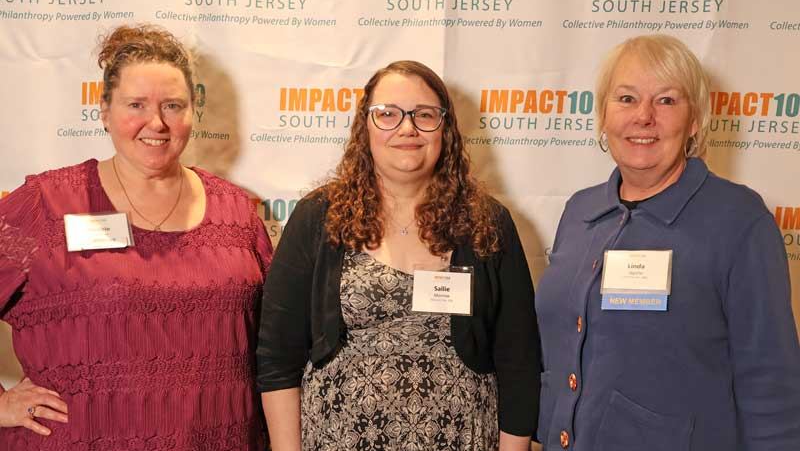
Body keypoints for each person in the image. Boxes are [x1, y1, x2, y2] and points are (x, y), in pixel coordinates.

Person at [0, 24, 273, 450]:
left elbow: (279, 343)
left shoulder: (237, 213)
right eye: (136, 105)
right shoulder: (44, 207)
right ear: (104, 111)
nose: (156, 122)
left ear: (194, 112)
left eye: (173, 105)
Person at [256, 60, 540, 450]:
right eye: (388, 114)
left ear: (445, 129)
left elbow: (519, 362)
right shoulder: (319, 217)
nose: (407, 128)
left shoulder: (487, 223)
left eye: (424, 115)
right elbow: (277, 358)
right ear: (365, 126)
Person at [536, 34, 800, 450]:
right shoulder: (579, 211)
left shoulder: (739, 221)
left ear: (694, 121)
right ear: (603, 114)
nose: (643, 116)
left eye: (666, 100)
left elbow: (771, 388)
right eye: (626, 98)